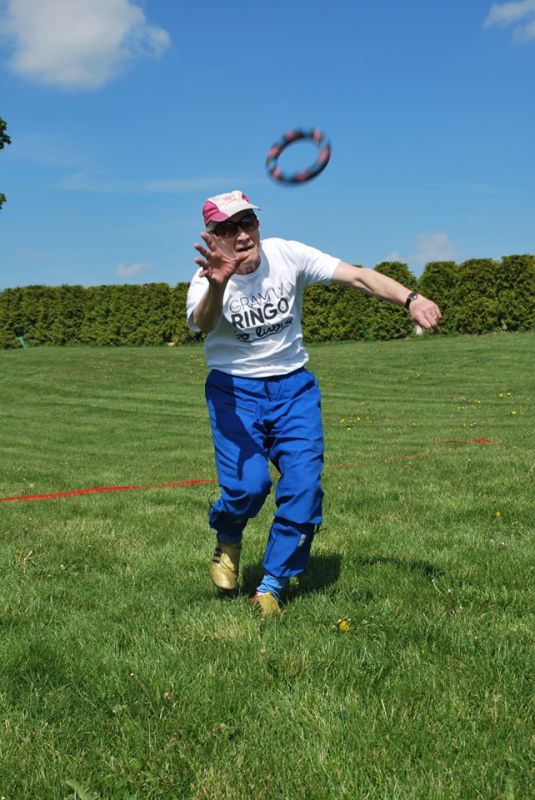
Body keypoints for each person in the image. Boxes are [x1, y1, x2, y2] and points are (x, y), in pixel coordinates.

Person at [187, 190, 441, 616]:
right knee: (249, 487)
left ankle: (271, 585)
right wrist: (218, 283)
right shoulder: (206, 279)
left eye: (247, 222)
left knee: (304, 486)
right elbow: (204, 322)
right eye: (228, 228)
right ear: (213, 237)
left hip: (293, 390)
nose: (242, 234)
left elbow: (358, 276)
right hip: (235, 392)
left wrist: (412, 299)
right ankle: (229, 535)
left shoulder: (288, 254)